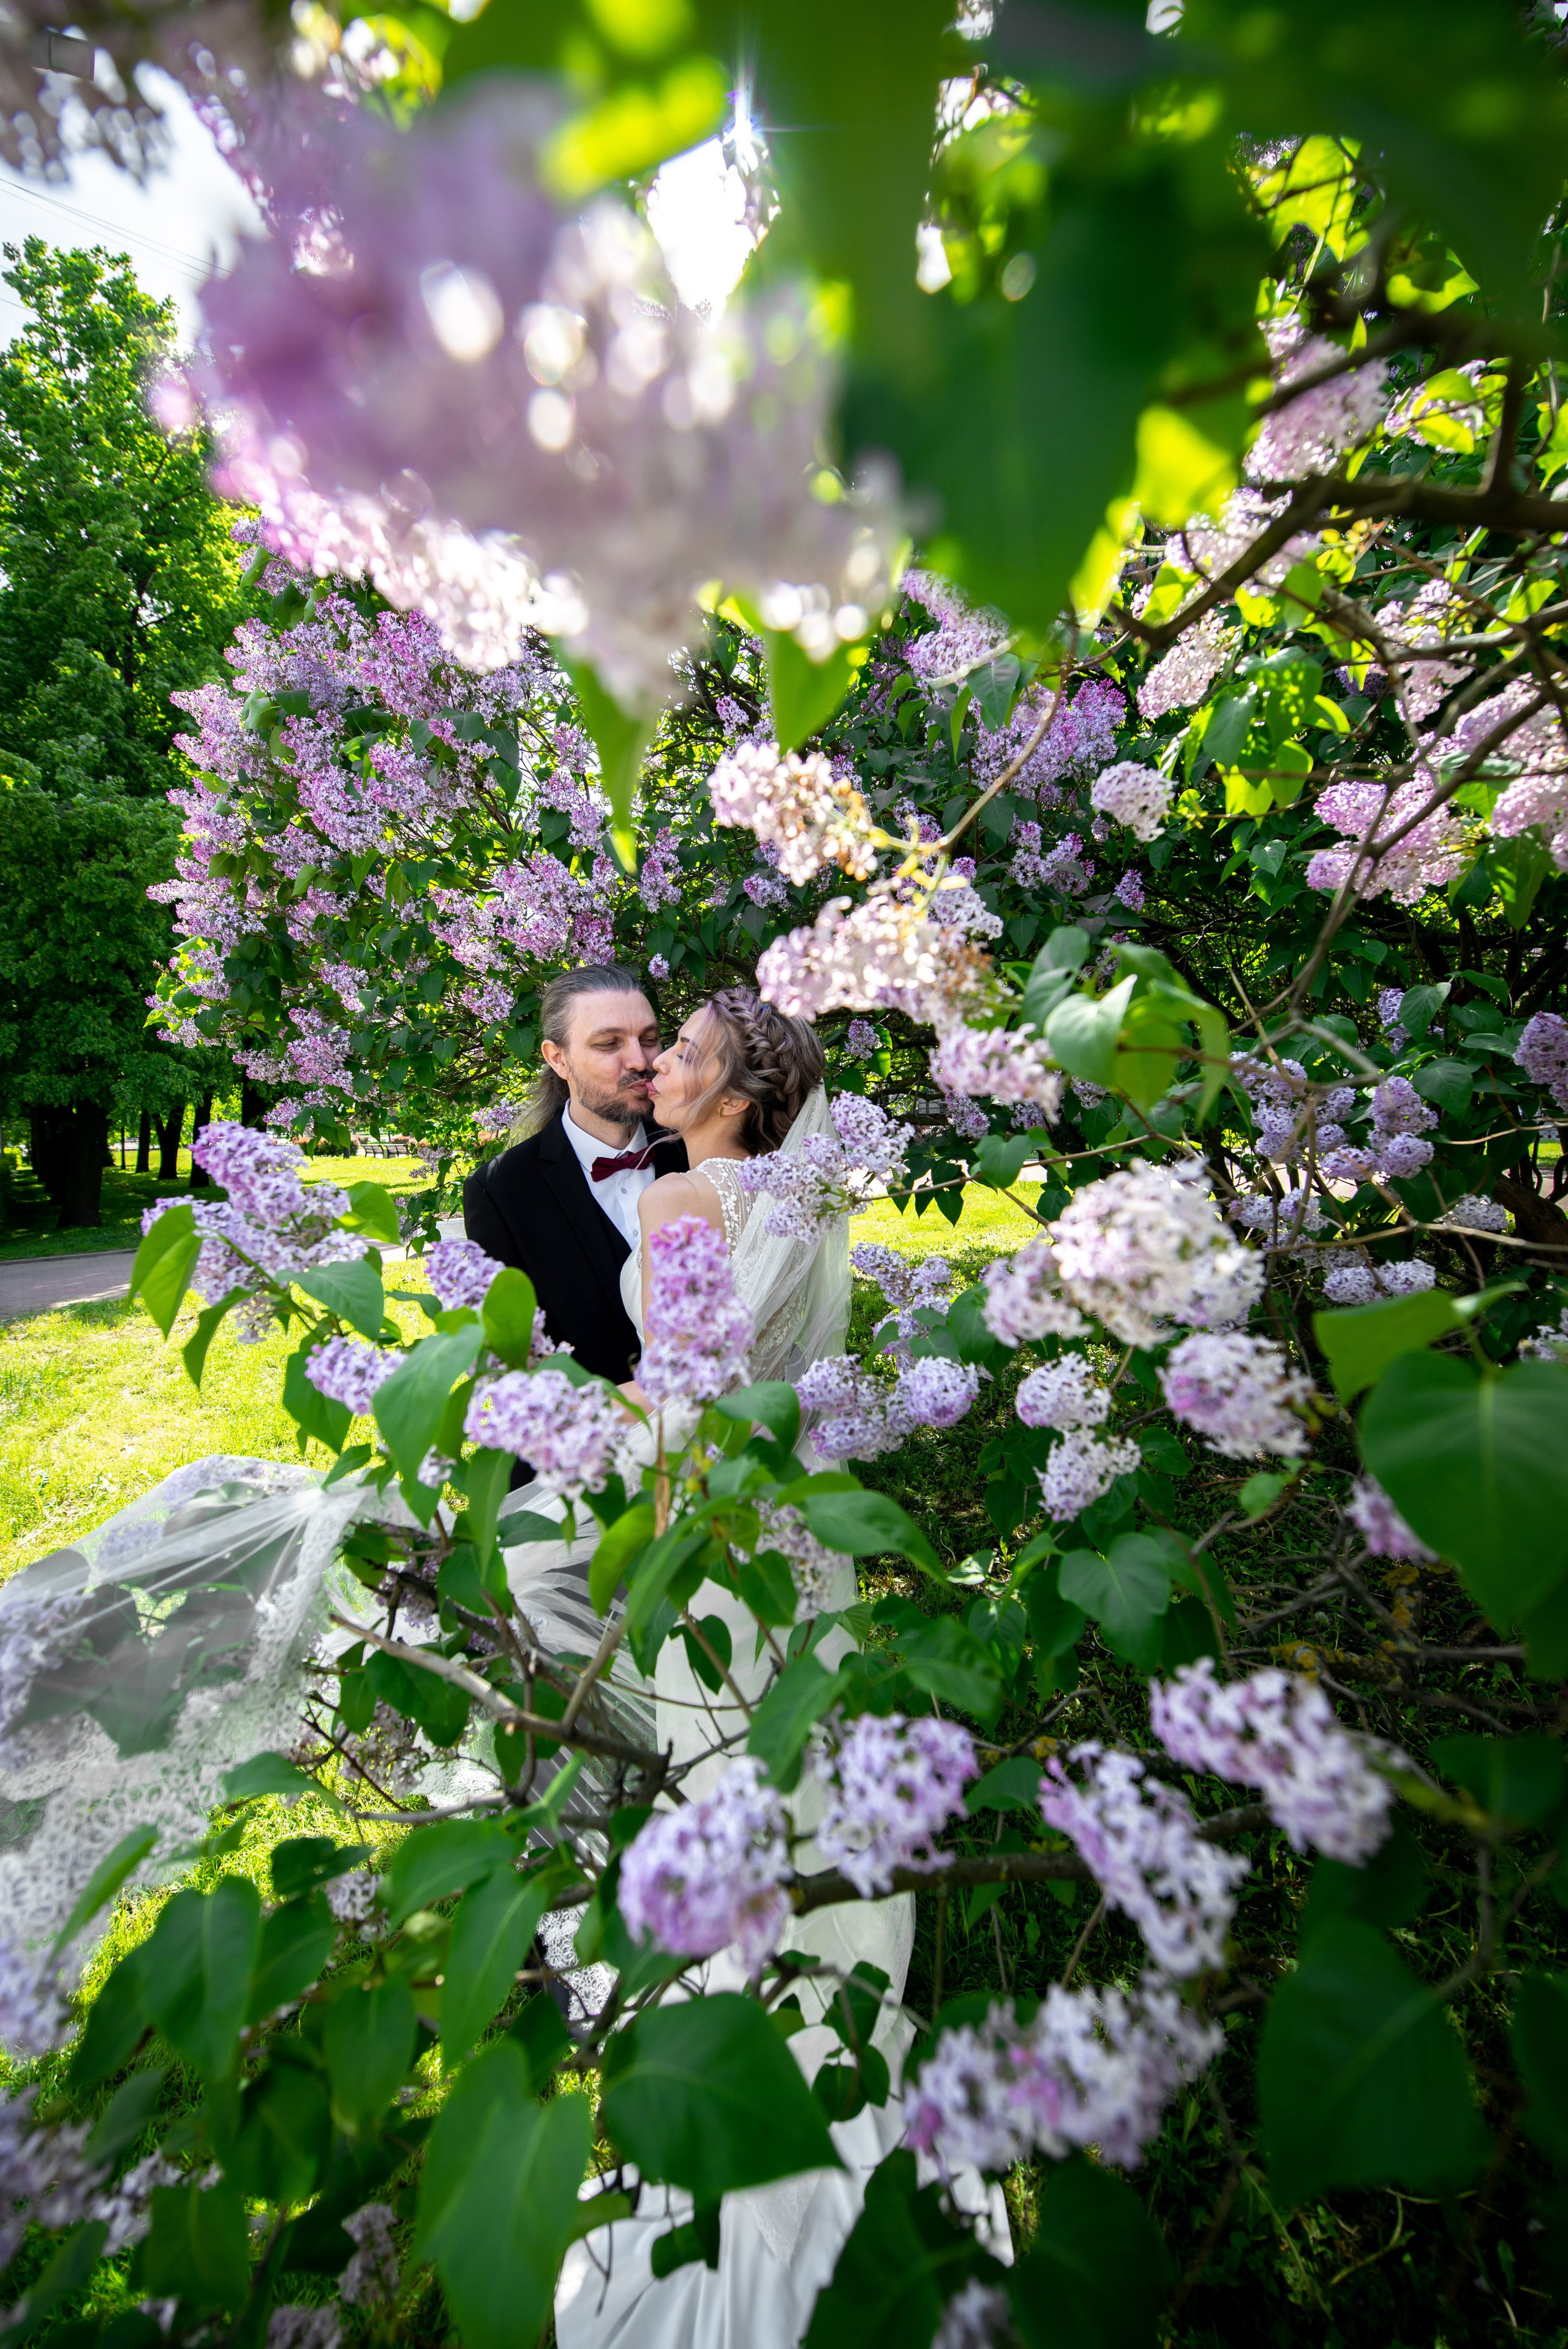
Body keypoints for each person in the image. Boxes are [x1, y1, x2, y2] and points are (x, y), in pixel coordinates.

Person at [461, 965, 687, 1387]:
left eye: (650, 1039)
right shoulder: (500, 1192)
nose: (640, 1061)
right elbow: (517, 1364)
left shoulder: (696, 1149)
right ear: (558, 1058)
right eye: (609, 1043)